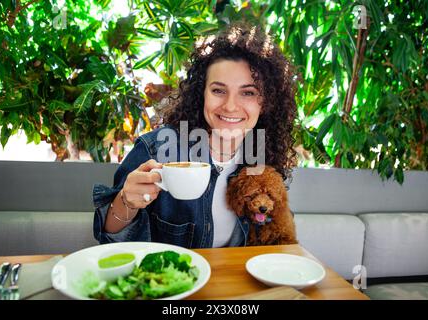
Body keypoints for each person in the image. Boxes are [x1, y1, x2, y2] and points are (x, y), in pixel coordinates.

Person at [92, 22, 297, 248]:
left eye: (248, 92)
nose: (230, 106)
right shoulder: (158, 149)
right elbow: (108, 237)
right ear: (202, 94)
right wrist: (125, 202)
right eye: (218, 90)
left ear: (266, 101)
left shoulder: (261, 156)